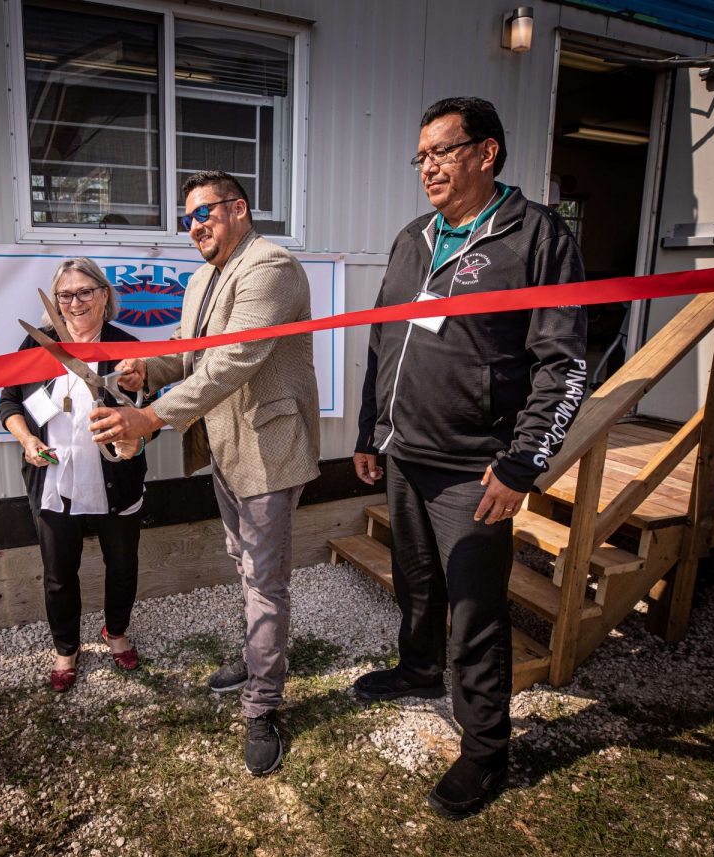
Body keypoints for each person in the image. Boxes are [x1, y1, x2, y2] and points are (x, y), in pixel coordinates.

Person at [353, 97, 587, 818]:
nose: (427, 167)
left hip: (474, 468)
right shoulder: (413, 237)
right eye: (420, 156)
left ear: (486, 153)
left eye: (441, 152)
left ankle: (486, 748)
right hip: (403, 451)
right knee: (416, 579)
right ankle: (421, 669)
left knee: (475, 612)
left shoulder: (537, 236)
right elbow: (383, 341)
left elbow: (565, 364)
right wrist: (370, 430)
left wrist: (521, 466)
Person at [88, 170, 320, 776]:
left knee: (265, 580)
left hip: (269, 450)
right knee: (244, 563)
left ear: (239, 209)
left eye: (205, 213)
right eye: (187, 218)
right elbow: (196, 356)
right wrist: (151, 370)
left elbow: (235, 361)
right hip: (223, 446)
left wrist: (150, 417)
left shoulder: (270, 267)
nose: (194, 227)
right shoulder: (200, 279)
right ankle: (255, 656)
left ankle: (262, 705)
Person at [0, 258, 151, 693]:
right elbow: (8, 403)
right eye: (65, 295)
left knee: (122, 565)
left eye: (85, 292)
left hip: (115, 481)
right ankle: (66, 648)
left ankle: (115, 631)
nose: (75, 302)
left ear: (104, 295)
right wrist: (27, 439)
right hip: (54, 481)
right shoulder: (35, 346)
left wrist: (134, 437)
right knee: (58, 573)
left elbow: (149, 415)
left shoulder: (126, 347)